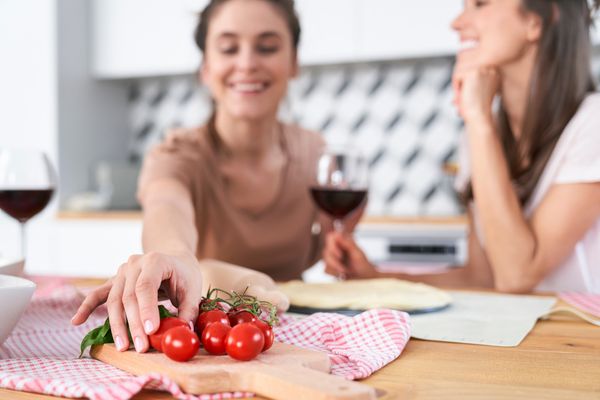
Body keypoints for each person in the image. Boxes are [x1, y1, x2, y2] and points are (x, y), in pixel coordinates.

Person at [71, 0, 335, 353]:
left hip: (305, 338)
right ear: (206, 68)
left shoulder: (315, 154)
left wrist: (348, 259)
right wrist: (175, 255)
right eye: (228, 48)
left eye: (267, 47)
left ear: (294, 62)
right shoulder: (177, 155)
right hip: (212, 342)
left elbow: (334, 253)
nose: (247, 63)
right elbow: (167, 206)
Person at [324, 0, 600, 294]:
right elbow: (481, 279)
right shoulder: (480, 137)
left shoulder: (592, 123)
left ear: (535, 22)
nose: (457, 23)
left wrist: (479, 119)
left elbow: (517, 277)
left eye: (480, 4)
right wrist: (374, 277)